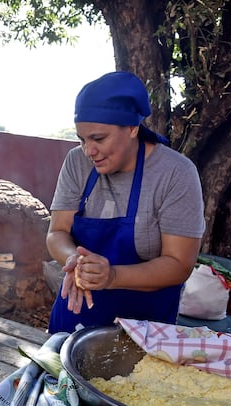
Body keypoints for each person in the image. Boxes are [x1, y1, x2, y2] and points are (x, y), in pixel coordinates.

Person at [47, 71, 205, 334]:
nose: (89, 151)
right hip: (76, 316)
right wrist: (76, 260)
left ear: (132, 128)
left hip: (145, 329)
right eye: (82, 140)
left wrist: (112, 277)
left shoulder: (175, 173)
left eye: (98, 138)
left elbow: (179, 264)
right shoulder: (77, 162)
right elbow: (57, 232)